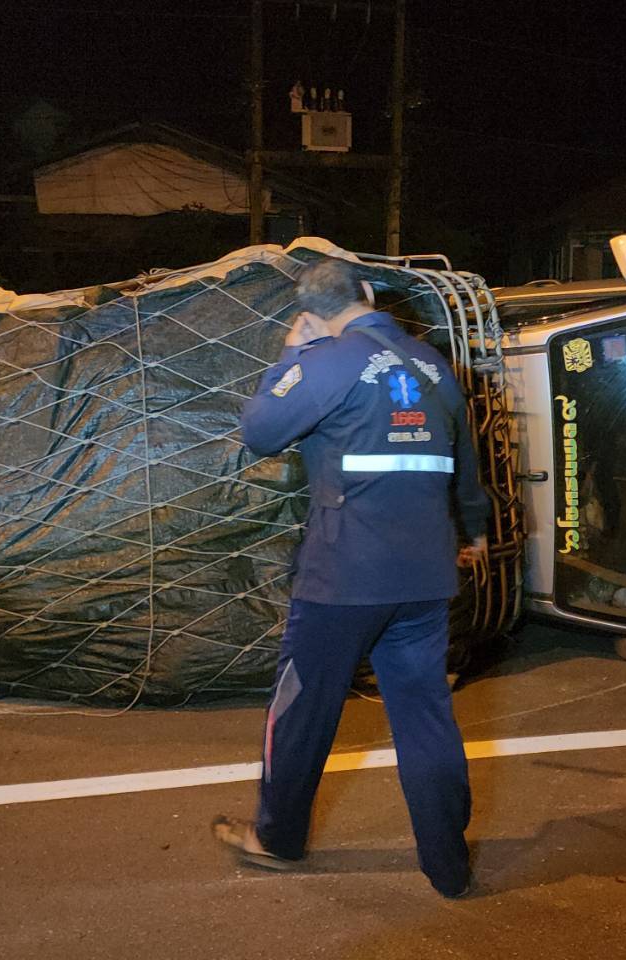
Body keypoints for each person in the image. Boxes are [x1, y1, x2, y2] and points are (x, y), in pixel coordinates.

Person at [210, 257, 489, 898]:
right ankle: (448, 865)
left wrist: (292, 354)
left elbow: (258, 431)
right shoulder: (432, 364)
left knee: (301, 710)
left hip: (343, 577)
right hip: (425, 575)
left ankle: (277, 838)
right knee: (425, 717)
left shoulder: (327, 361)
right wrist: (473, 529)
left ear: (311, 314)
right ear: (367, 294)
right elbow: (464, 462)